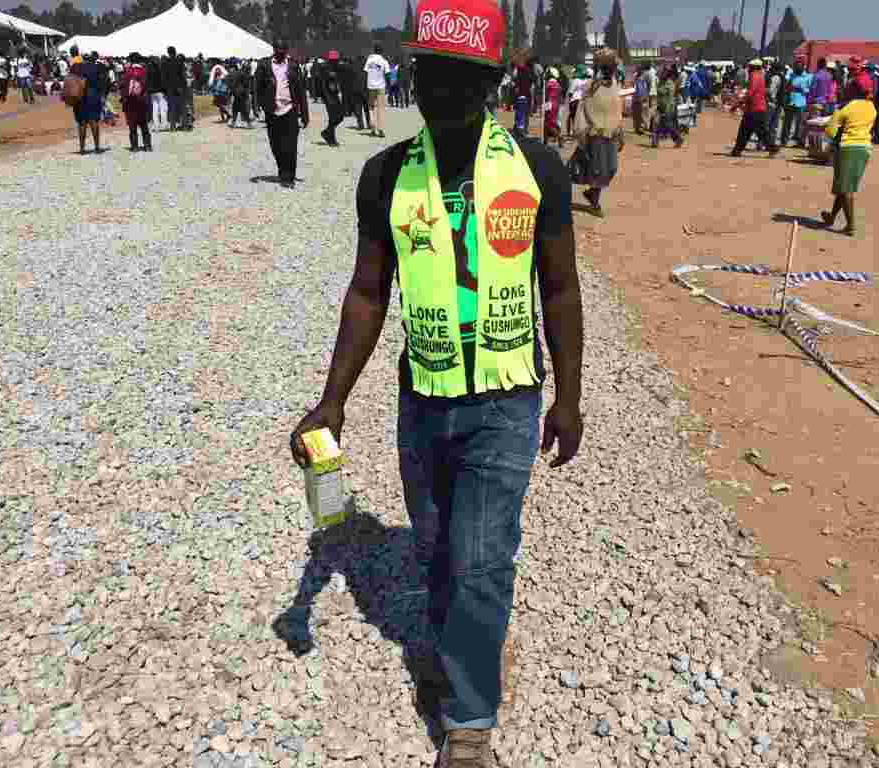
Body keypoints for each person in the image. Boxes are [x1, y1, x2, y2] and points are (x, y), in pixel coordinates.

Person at [290, 0, 582, 764]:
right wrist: (333, 399)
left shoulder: (537, 169)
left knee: (481, 553)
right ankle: (465, 652)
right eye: (430, 75)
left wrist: (570, 397)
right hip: (421, 398)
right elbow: (367, 291)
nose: (443, 93)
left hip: (505, 400)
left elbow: (560, 289)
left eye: (462, 79)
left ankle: (469, 721)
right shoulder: (384, 176)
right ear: (414, 76)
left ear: (490, 82)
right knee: (434, 550)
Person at [821, 79, 876, 237]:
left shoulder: (846, 107)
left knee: (846, 189)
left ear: (853, 91)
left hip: (848, 148)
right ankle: (831, 216)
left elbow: (830, 131)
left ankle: (850, 225)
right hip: (864, 148)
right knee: (845, 185)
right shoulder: (871, 107)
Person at [255, 39, 309, 188]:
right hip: (272, 111)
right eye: (277, 48)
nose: (280, 51)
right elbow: (256, 86)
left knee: (291, 144)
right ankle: (282, 170)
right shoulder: (264, 65)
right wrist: (256, 106)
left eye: (283, 48)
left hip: (290, 110)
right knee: (276, 144)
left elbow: (301, 91)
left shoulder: (293, 66)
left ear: (287, 50)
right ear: (273, 49)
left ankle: (289, 177)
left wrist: (305, 114)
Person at [576, 49, 623, 217]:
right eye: (611, 65)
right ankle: (595, 203)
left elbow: (617, 108)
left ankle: (591, 193)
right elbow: (583, 108)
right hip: (596, 134)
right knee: (599, 170)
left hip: (611, 133)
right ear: (604, 67)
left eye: (614, 66)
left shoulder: (615, 84)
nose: (614, 69)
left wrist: (620, 130)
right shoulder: (592, 85)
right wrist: (583, 131)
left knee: (612, 169)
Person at [730, 59, 778, 158]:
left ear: (754, 67)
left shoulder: (754, 76)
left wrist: (739, 103)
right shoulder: (760, 76)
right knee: (746, 130)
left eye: (750, 66)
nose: (748, 68)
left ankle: (773, 148)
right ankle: (737, 150)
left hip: (755, 108)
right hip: (755, 108)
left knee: (757, 131)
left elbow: (751, 92)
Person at [70, 52, 106, 154]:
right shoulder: (97, 67)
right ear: (91, 58)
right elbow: (103, 82)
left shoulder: (75, 67)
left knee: (82, 123)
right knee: (94, 121)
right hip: (93, 96)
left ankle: (82, 148)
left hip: (79, 97)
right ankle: (97, 147)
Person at [120, 52, 152, 152]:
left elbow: (122, 85)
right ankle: (147, 145)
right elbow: (147, 86)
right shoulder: (144, 71)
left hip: (130, 102)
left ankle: (134, 146)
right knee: (143, 125)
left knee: (132, 125)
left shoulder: (128, 72)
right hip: (141, 101)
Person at [779, 59, 811, 147]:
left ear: (803, 67)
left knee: (800, 123)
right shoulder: (791, 76)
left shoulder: (808, 77)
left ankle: (798, 141)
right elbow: (785, 86)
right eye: (796, 66)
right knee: (787, 123)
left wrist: (802, 89)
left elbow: (810, 90)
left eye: (799, 66)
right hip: (791, 101)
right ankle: (784, 140)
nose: (797, 68)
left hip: (801, 102)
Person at [652, 64, 683, 148]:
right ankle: (655, 142)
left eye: (663, 73)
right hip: (659, 107)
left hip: (668, 108)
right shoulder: (660, 82)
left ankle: (678, 139)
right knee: (655, 123)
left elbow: (670, 99)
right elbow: (658, 95)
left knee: (668, 125)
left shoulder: (670, 84)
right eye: (662, 72)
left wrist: (667, 110)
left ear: (667, 74)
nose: (661, 74)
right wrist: (655, 105)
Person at [319, 51, 344, 146]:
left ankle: (327, 132)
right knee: (333, 117)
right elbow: (324, 84)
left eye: (336, 60)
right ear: (330, 60)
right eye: (333, 60)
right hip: (328, 96)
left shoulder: (336, 68)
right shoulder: (325, 68)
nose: (335, 61)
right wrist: (325, 97)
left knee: (340, 116)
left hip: (335, 95)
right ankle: (331, 138)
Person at [364, 44, 389, 138]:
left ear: (374, 50)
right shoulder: (384, 61)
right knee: (380, 108)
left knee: (371, 107)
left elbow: (365, 72)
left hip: (370, 86)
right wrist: (388, 85)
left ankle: (373, 127)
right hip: (381, 86)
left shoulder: (369, 60)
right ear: (382, 51)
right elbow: (387, 74)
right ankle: (381, 129)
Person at [161, 46, 184, 130]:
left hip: (169, 87)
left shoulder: (165, 62)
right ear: (175, 51)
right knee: (179, 105)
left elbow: (163, 76)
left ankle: (172, 125)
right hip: (178, 87)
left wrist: (163, 88)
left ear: (168, 52)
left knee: (171, 106)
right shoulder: (179, 61)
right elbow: (182, 75)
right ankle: (180, 123)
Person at [512, 59, 534, 136]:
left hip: (520, 95)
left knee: (519, 113)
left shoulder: (519, 70)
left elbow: (515, 82)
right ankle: (524, 129)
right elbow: (532, 85)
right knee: (525, 113)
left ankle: (518, 129)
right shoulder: (530, 72)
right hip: (527, 95)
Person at [146, 55, 166, 131]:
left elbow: (147, 81)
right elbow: (162, 80)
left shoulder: (149, 69)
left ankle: (156, 125)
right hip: (160, 91)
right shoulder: (159, 69)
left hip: (152, 91)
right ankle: (163, 124)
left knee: (155, 109)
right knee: (162, 108)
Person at [228, 63, 253, 127]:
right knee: (240, 109)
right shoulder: (243, 74)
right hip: (239, 94)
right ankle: (248, 123)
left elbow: (242, 84)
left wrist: (234, 91)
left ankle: (235, 123)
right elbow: (245, 85)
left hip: (239, 94)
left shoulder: (239, 73)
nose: (230, 69)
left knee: (239, 109)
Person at [543, 66, 562, 147]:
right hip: (555, 105)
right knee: (550, 123)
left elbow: (546, 96)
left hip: (549, 104)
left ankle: (559, 138)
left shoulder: (549, 84)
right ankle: (545, 141)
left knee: (548, 124)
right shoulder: (557, 84)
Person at [567, 65, 586, 137]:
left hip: (574, 101)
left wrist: (568, 100)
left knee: (572, 117)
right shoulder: (584, 81)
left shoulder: (575, 81)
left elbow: (571, 92)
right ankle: (579, 132)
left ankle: (572, 132)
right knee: (580, 117)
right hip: (581, 100)